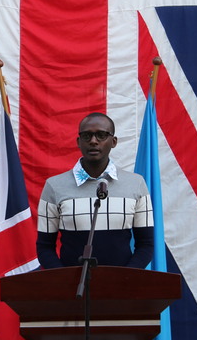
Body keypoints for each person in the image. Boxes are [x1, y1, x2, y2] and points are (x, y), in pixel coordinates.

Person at [36, 112, 154, 269]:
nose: (93, 141)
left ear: (113, 141)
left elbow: (146, 244)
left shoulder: (136, 184)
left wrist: (125, 278)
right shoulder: (54, 186)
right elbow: (44, 247)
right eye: (87, 136)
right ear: (78, 142)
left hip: (122, 283)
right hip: (72, 283)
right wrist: (64, 280)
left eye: (101, 135)